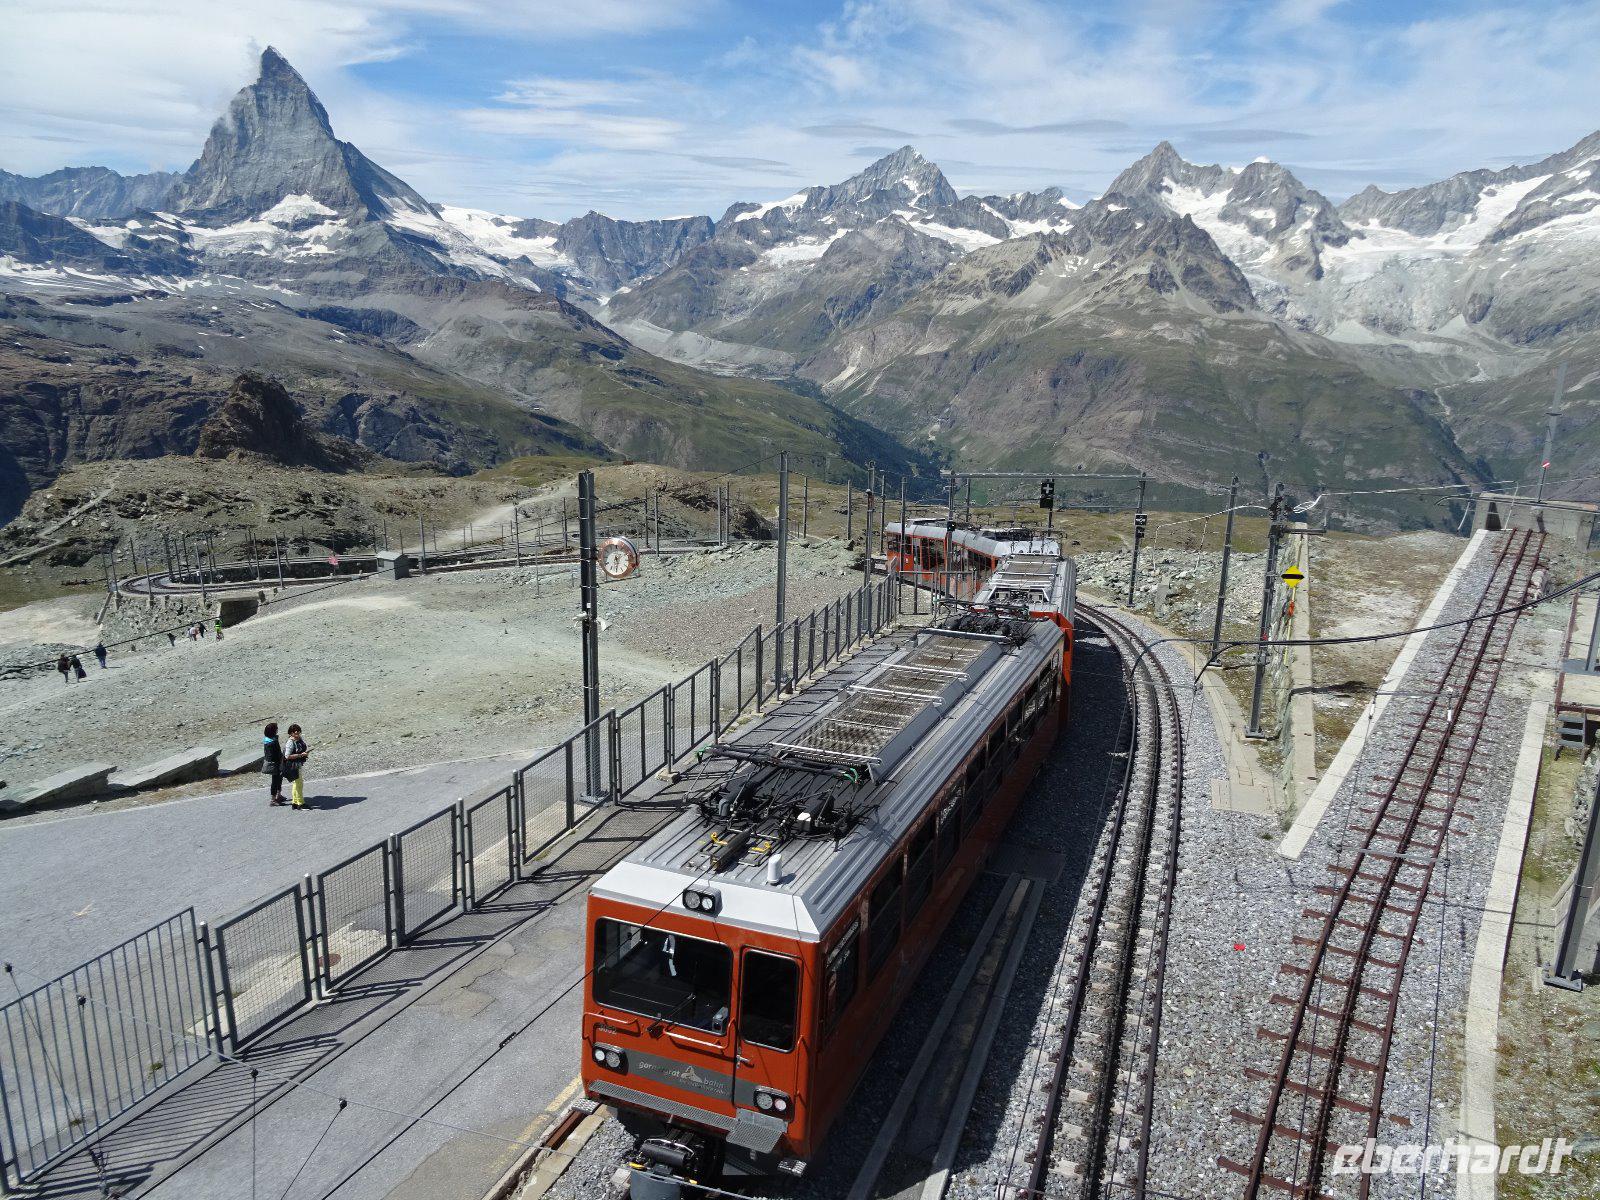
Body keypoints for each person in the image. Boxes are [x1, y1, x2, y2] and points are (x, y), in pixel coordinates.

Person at [283, 724, 310, 810]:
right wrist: (300, 755)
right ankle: (300, 804)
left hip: (297, 764)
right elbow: (287, 756)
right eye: (295, 732)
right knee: (299, 784)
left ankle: (294, 802)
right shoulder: (290, 742)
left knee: (296, 783)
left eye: (298, 731)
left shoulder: (298, 739)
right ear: (291, 733)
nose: (297, 733)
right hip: (293, 766)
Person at [262, 723, 286, 806]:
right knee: (275, 781)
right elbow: (274, 755)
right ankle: (273, 800)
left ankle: (278, 795)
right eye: (276, 729)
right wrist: (282, 759)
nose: (277, 730)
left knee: (279, 779)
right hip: (275, 764)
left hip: (275, 763)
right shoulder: (272, 742)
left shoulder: (268, 740)